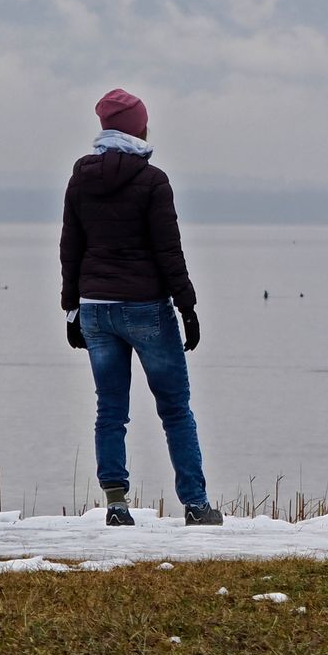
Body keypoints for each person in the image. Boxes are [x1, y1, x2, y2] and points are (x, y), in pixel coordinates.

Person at [59, 88, 222, 526]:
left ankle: (116, 505)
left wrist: (71, 308)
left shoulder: (80, 178)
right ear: (139, 128)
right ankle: (196, 504)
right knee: (175, 409)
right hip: (146, 308)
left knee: (110, 410)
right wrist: (187, 308)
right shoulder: (153, 181)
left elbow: (70, 248)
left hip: (95, 307)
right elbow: (169, 252)